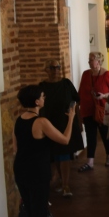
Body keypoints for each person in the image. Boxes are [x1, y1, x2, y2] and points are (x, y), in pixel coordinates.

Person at [12, 84, 75, 217]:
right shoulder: (41, 122)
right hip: (36, 172)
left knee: (33, 208)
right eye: (42, 96)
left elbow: (16, 148)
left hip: (21, 170)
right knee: (38, 212)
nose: (44, 98)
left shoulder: (19, 120)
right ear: (36, 101)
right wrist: (71, 118)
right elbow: (65, 140)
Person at [39, 60, 84, 198]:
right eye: (52, 67)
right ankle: (60, 179)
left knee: (64, 153)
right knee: (55, 154)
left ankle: (65, 184)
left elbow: (75, 102)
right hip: (50, 123)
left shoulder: (66, 84)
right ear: (47, 69)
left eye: (58, 67)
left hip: (65, 122)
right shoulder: (42, 86)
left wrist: (78, 120)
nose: (56, 70)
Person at [78, 52, 109, 172]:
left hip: (102, 109)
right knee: (90, 135)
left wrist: (103, 95)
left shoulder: (107, 75)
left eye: (91, 59)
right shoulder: (85, 74)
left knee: (105, 134)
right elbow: (81, 91)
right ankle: (90, 161)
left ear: (98, 61)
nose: (89, 61)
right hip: (88, 110)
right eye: (89, 59)